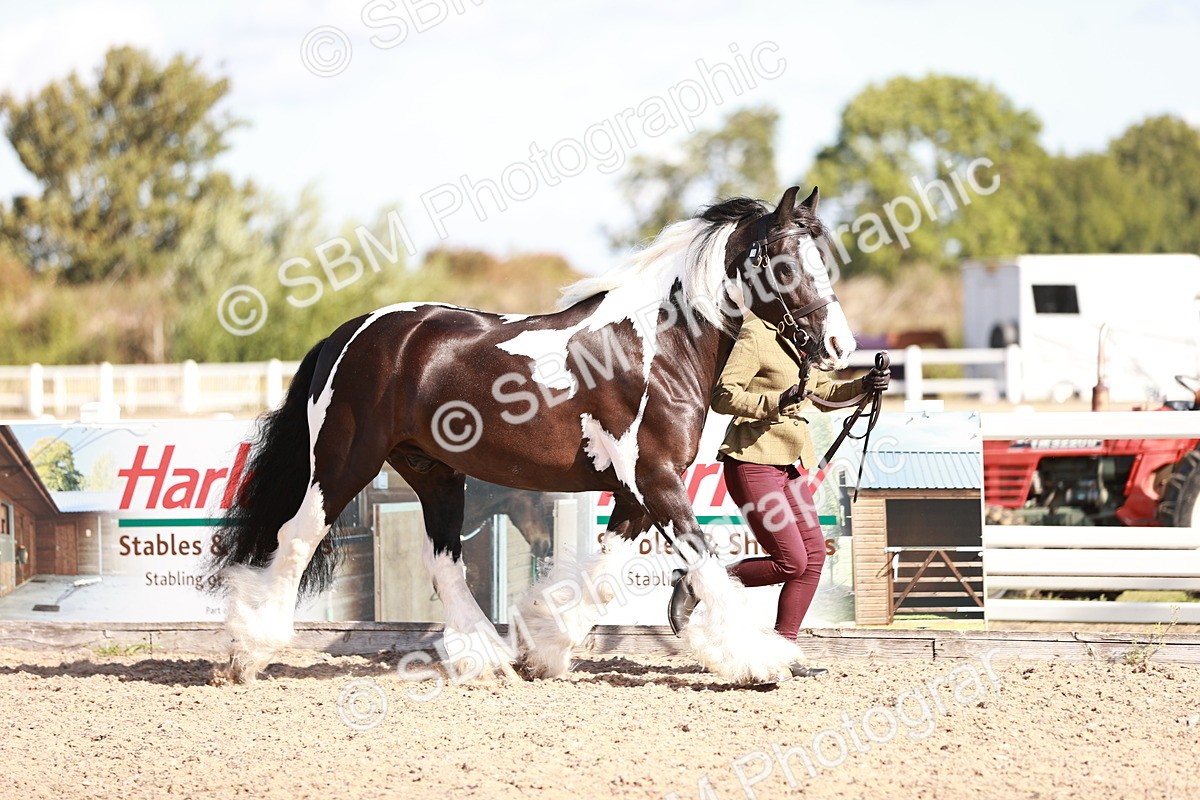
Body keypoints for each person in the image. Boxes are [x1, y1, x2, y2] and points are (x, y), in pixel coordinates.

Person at [668, 309, 889, 677]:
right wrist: (773, 403)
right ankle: (698, 582)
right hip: (752, 462)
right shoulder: (756, 335)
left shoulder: (802, 342)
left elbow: (824, 392)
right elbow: (723, 396)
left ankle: (782, 653)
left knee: (814, 557)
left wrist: (866, 384)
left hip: (788, 465)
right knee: (792, 561)